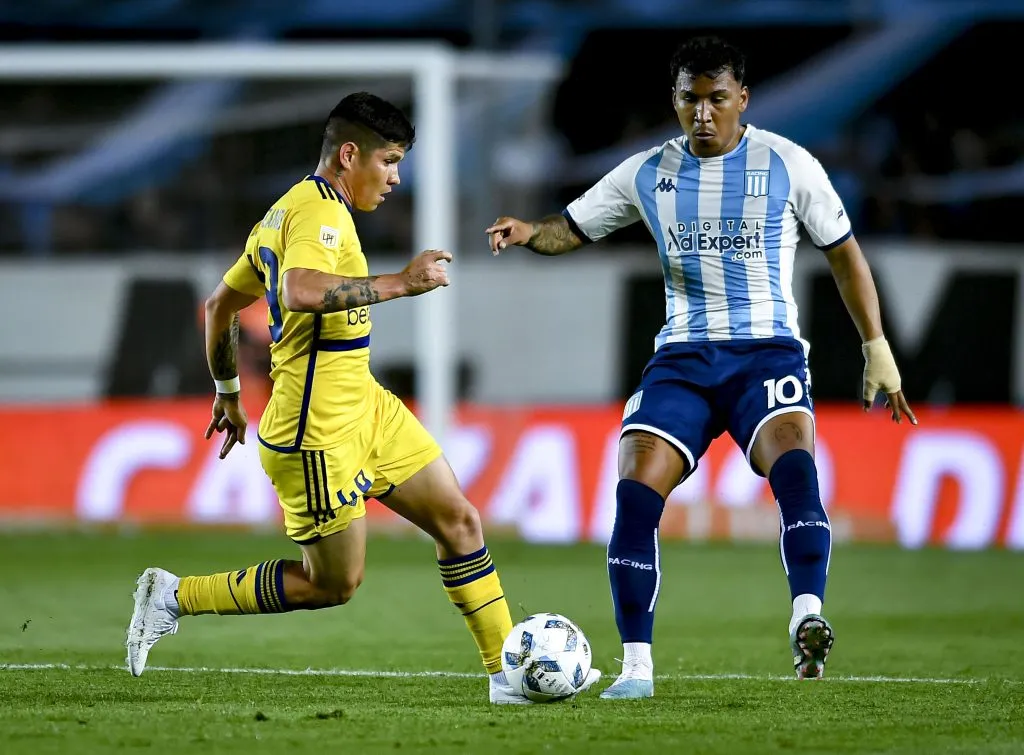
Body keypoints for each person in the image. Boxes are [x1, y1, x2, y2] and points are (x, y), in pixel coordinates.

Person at [125, 92, 599, 705]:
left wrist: (227, 392)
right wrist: (402, 282)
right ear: (350, 155)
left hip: (365, 405)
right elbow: (297, 291)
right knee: (334, 585)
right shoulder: (316, 214)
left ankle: (507, 675)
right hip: (315, 430)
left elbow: (221, 306)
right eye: (391, 161)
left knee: (460, 522)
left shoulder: (285, 213)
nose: (397, 178)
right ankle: (173, 595)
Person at [486, 36, 916, 699]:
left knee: (794, 468)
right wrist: (526, 231)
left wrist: (876, 345)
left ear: (742, 98)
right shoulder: (647, 173)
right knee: (634, 491)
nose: (705, 112)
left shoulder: (787, 164)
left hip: (766, 351)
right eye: (692, 99)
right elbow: (569, 228)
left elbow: (844, 252)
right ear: (676, 101)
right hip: (682, 360)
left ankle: (808, 615)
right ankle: (636, 670)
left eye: (718, 98)